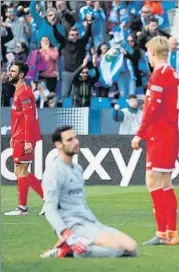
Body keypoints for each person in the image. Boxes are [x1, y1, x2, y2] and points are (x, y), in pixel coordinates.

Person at [40, 126, 138, 258]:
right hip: (74, 227)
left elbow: (81, 204)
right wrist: (65, 233)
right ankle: (68, 251)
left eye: (75, 137)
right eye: (69, 140)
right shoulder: (54, 171)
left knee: (132, 248)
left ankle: (74, 248)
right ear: (58, 145)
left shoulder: (77, 169)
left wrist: (95, 223)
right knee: (118, 249)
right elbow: (50, 209)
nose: (75, 142)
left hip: (90, 223)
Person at [131, 36, 179, 246]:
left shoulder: (160, 75)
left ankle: (162, 232)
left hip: (160, 134)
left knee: (153, 180)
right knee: (165, 182)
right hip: (169, 133)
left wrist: (139, 133)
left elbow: (152, 107)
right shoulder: (174, 74)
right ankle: (171, 232)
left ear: (152, 53)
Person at [4, 60, 44, 216]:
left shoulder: (25, 92)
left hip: (24, 138)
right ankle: (26, 206)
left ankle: (24, 207)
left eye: (12, 71)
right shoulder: (18, 91)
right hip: (19, 137)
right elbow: (18, 118)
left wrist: (27, 140)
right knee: (20, 171)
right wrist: (13, 137)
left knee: (21, 171)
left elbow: (29, 118)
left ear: (21, 74)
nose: (9, 73)